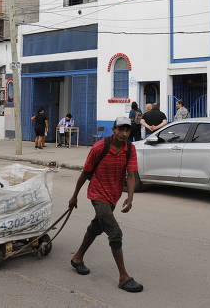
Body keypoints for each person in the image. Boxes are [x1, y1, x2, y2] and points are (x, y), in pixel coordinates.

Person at [68, 116, 143, 293]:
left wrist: (130, 198)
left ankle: (77, 258)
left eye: (127, 130)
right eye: (121, 129)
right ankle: (124, 277)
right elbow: (85, 173)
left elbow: (131, 175)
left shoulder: (130, 149)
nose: (124, 133)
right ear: (114, 129)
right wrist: (74, 196)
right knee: (115, 233)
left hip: (113, 196)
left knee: (97, 227)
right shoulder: (99, 147)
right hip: (97, 194)